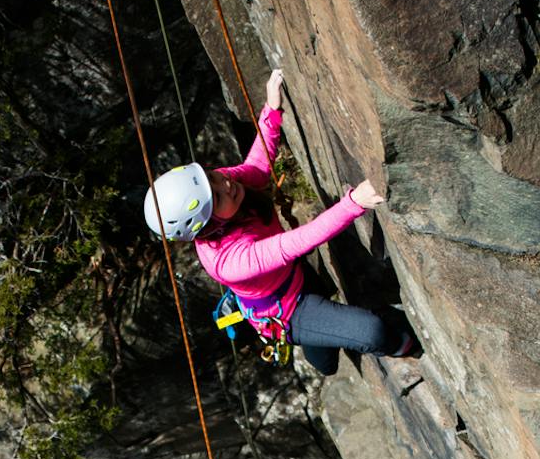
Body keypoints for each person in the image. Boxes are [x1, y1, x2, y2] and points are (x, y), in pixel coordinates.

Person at [143, 69, 419, 374]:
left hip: (293, 276)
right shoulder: (228, 261)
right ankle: (402, 346)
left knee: (334, 319)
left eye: (212, 177)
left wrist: (271, 112)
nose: (226, 185)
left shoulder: (221, 187)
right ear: (205, 225)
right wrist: (353, 204)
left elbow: (257, 168)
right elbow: (295, 242)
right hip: (290, 311)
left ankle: (328, 335)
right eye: (217, 197)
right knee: (370, 334)